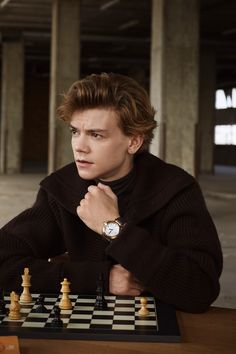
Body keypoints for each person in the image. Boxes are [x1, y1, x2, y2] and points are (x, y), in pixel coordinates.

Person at [0, 72, 223, 313]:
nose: (79, 146)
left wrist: (113, 228)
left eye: (96, 135)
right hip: (85, 330)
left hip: (162, 331)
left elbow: (200, 289)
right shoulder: (61, 189)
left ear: (134, 142)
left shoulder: (175, 189)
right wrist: (102, 278)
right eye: (75, 132)